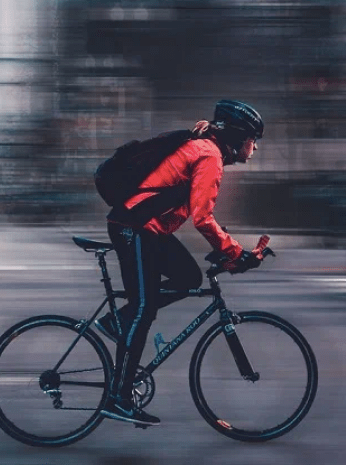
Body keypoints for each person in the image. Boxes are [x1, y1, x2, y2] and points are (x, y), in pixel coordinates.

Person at [95, 99, 266, 426]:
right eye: (253, 139)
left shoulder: (207, 150)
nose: (255, 147)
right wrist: (233, 252)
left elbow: (198, 212)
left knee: (187, 277)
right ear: (239, 136)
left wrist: (229, 251)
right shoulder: (209, 155)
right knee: (143, 310)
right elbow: (203, 218)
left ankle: (120, 324)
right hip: (135, 227)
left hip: (146, 227)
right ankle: (118, 396)